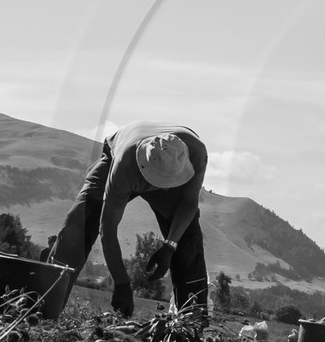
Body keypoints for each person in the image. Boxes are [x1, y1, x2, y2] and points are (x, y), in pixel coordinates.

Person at [47, 122, 208, 316]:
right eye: (163, 183)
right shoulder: (125, 166)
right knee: (80, 222)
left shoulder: (196, 152)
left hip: (157, 159)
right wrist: (121, 283)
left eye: (172, 182)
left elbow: (189, 203)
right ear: (145, 172)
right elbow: (107, 229)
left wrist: (169, 246)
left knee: (187, 236)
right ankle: (44, 307)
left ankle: (192, 322)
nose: (167, 190)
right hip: (121, 152)